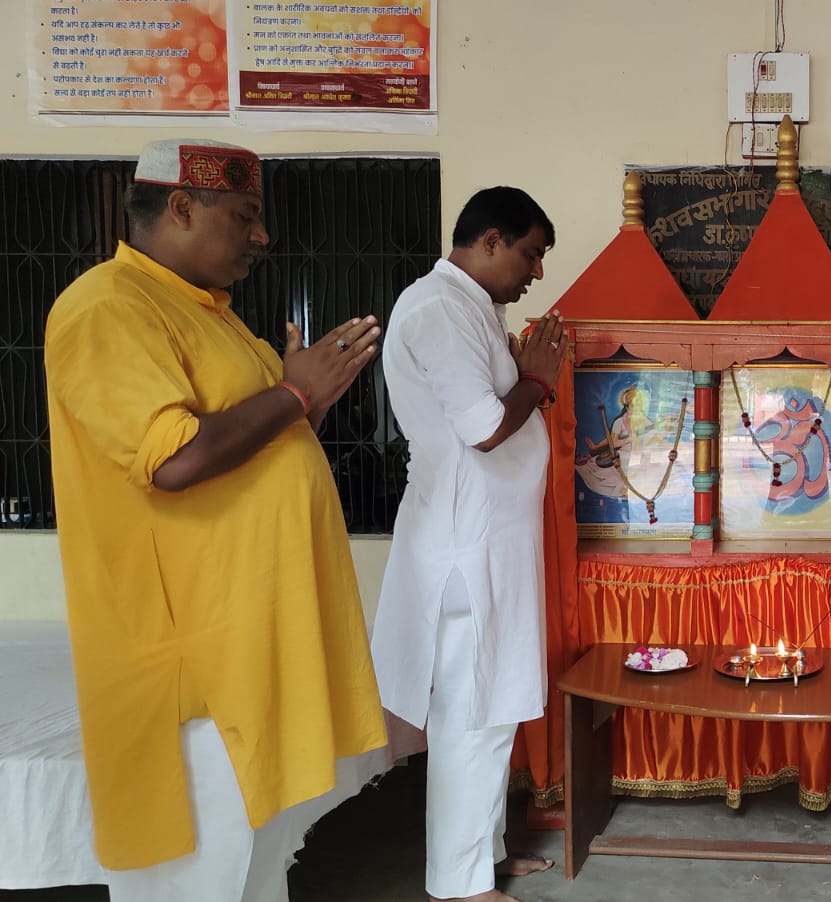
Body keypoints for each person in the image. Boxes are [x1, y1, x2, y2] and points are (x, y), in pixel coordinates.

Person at [44, 138, 388, 901]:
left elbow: (252, 447)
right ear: (179, 206)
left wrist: (303, 405)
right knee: (202, 879)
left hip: (254, 649)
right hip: (195, 670)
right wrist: (293, 395)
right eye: (244, 215)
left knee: (260, 872)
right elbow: (174, 460)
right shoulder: (107, 307)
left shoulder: (212, 316)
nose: (262, 236)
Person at [371, 186, 568, 902]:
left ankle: (483, 858)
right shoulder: (438, 308)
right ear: (489, 241)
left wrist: (528, 376)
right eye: (530, 254)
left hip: (493, 541)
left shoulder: (472, 308)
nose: (536, 272)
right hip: (464, 547)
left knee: (494, 707)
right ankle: (458, 884)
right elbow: (484, 428)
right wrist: (537, 380)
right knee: (468, 715)